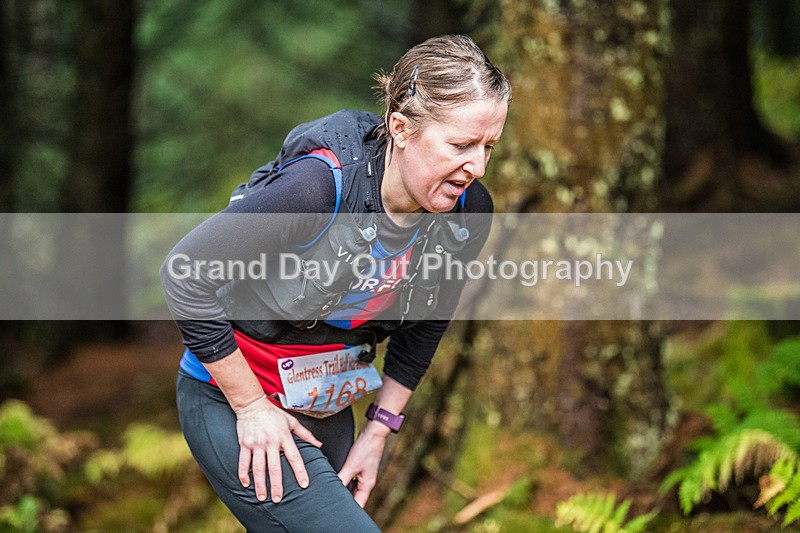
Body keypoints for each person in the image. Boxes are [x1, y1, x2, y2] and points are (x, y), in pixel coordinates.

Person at [161, 34, 510, 532]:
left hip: (325, 401)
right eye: (460, 145)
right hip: (232, 396)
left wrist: (380, 428)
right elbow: (185, 272)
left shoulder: (468, 212)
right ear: (401, 128)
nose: (475, 167)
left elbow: (428, 322)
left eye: (488, 146)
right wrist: (250, 406)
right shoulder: (318, 188)